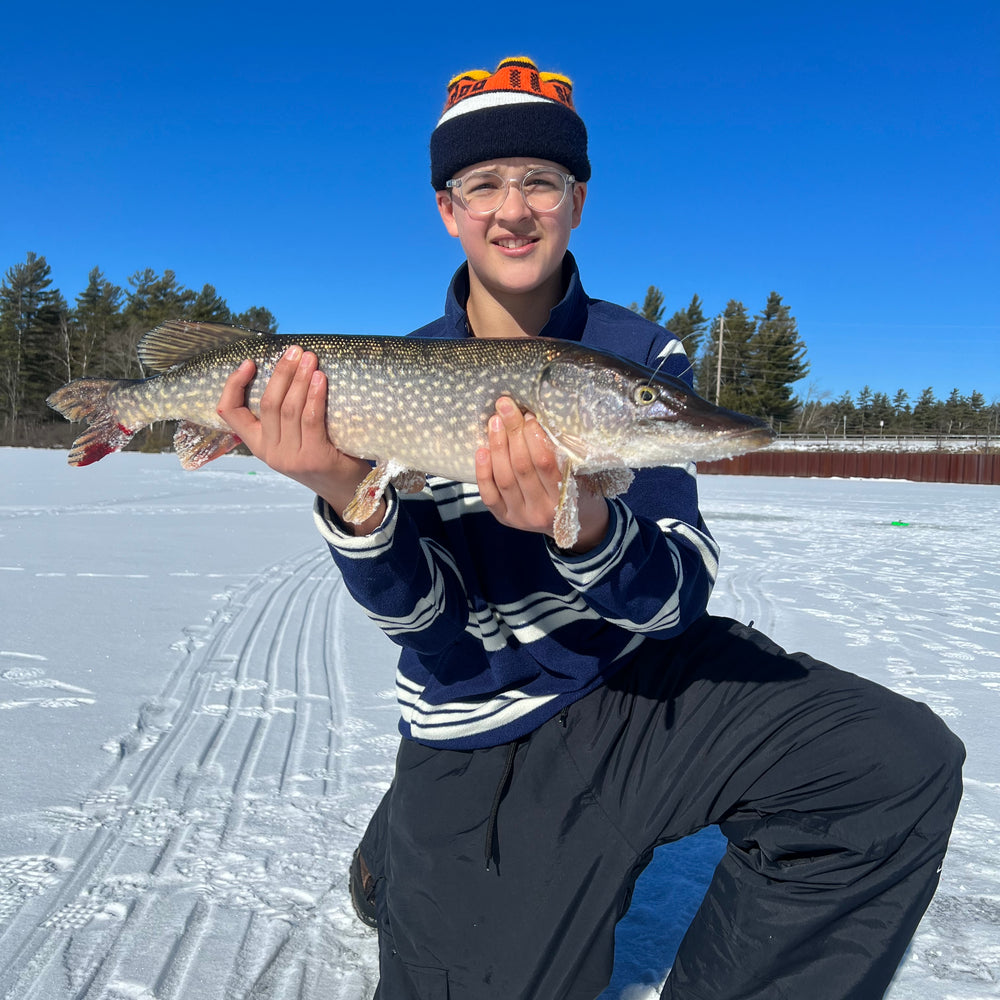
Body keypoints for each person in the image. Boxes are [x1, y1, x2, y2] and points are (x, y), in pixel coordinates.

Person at [217, 57, 964, 1000]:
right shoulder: (404, 376)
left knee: (894, 761)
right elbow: (428, 629)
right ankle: (400, 855)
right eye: (483, 184)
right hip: (485, 708)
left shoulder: (633, 356)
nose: (512, 208)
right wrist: (342, 487)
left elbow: (680, 594)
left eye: (540, 181)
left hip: (636, 680)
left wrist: (585, 529)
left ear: (577, 199)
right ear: (449, 209)